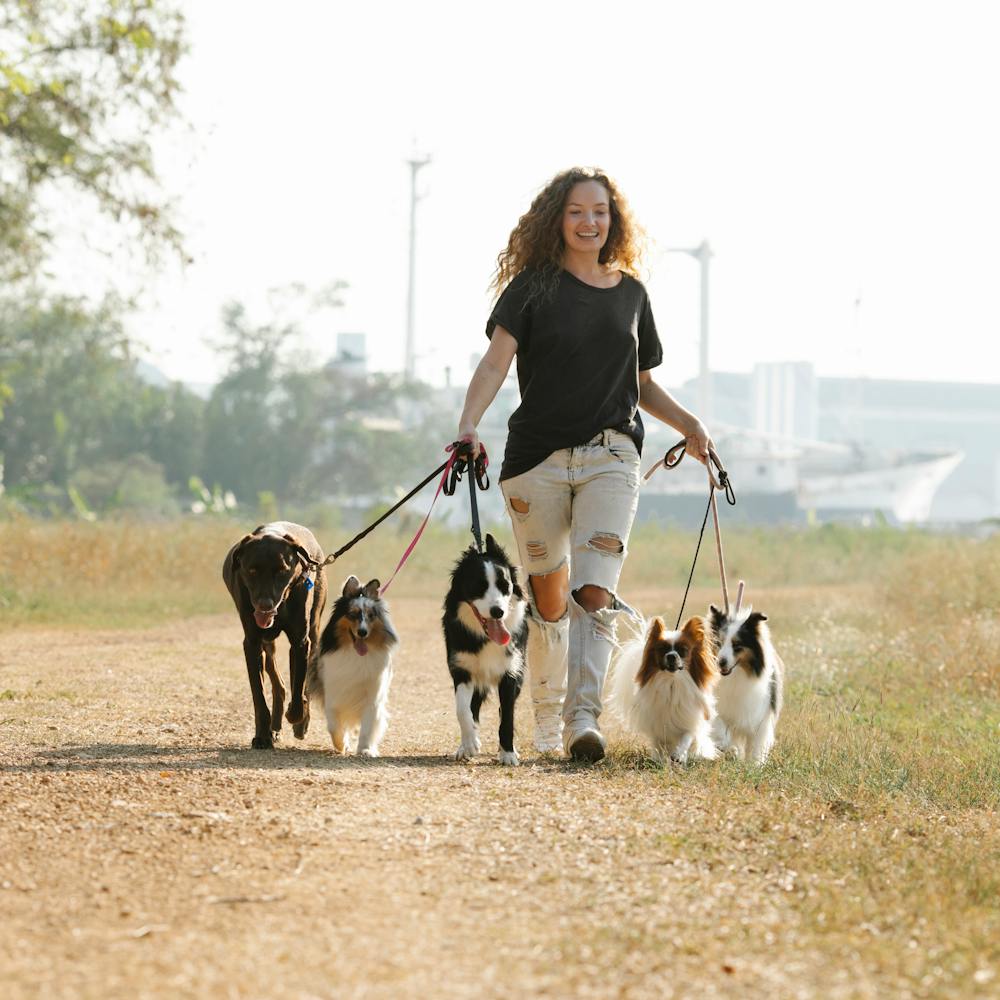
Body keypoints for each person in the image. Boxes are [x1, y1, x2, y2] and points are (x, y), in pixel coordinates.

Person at [456, 166, 714, 762]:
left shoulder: (632, 295)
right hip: (536, 462)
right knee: (548, 603)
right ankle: (545, 717)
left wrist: (691, 426)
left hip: (612, 456)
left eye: (599, 211)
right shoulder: (531, 289)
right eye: (576, 211)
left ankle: (582, 720)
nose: (589, 221)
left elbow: (642, 384)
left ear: (612, 220)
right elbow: (496, 364)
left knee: (594, 592)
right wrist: (468, 423)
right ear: (558, 218)